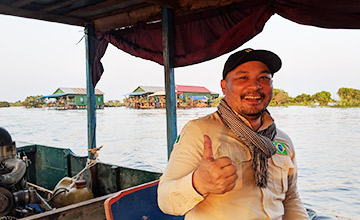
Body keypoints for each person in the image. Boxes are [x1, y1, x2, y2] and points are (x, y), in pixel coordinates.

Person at [157, 48, 309, 219]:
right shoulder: (199, 131)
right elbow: (164, 200)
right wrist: (198, 183)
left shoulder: (283, 141)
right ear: (224, 86)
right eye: (243, 77)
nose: (255, 86)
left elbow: (290, 199)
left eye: (264, 78)